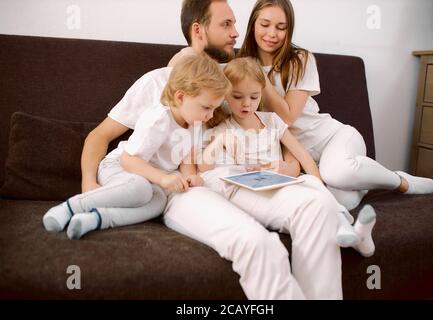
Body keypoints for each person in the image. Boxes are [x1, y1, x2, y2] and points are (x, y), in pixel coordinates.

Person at [79, 0, 343, 299]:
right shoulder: (158, 82)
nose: (236, 33)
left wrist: (290, 164)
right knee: (258, 244)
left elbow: (278, 125)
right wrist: (90, 186)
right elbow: (98, 137)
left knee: (318, 208)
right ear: (198, 30)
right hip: (186, 187)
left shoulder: (238, 77)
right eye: (226, 24)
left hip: (238, 174)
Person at [238, 0, 433, 211]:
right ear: (253, 24)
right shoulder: (240, 66)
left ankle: (401, 181)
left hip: (333, 138)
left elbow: (288, 117)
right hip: (304, 156)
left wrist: (260, 77)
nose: (272, 33)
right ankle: (362, 182)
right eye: (265, 25)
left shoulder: (300, 59)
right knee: (340, 202)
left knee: (336, 173)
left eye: (281, 27)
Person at [198, 57, 376, 257]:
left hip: (284, 180)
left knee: (309, 181)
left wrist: (318, 184)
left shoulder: (272, 121)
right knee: (304, 199)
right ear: (225, 96)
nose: (246, 104)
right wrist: (218, 140)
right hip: (260, 193)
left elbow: (303, 156)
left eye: (254, 97)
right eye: (237, 96)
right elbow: (204, 168)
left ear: (261, 95)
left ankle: (345, 225)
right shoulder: (225, 129)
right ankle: (352, 234)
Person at [42, 55, 230, 240]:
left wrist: (190, 176)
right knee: (141, 189)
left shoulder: (194, 121)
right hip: (119, 167)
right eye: (206, 107)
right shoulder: (158, 119)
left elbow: (186, 158)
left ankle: (96, 219)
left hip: (149, 179)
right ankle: (70, 207)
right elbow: (128, 160)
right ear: (180, 97)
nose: (210, 115)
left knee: (158, 202)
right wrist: (163, 178)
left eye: (214, 108)